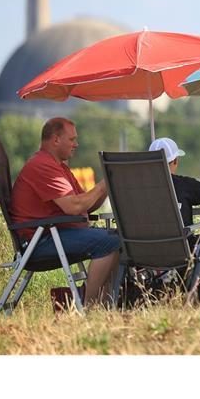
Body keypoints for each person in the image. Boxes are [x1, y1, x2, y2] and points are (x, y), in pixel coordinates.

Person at [9, 117, 119, 307]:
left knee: (118, 238)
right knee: (113, 242)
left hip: (56, 234)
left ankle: (107, 305)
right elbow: (74, 207)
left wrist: (109, 185)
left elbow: (85, 204)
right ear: (56, 139)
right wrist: (102, 186)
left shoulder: (59, 167)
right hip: (40, 242)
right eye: (72, 139)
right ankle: (91, 307)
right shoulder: (42, 165)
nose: (76, 144)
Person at [147, 137, 200, 295]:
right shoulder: (185, 185)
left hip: (141, 251)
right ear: (175, 160)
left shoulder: (134, 189)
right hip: (180, 250)